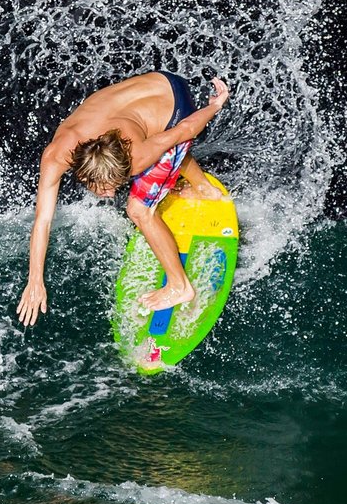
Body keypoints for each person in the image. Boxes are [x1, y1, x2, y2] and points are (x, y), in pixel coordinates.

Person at [17, 71, 230, 327]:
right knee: (162, 147)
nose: (109, 193)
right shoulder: (55, 155)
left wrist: (216, 104)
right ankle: (204, 189)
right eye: (105, 187)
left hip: (175, 106)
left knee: (139, 210)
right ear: (82, 173)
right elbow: (42, 220)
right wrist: (35, 279)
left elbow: (184, 130)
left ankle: (179, 285)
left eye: (115, 184)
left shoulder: (136, 155)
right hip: (157, 83)